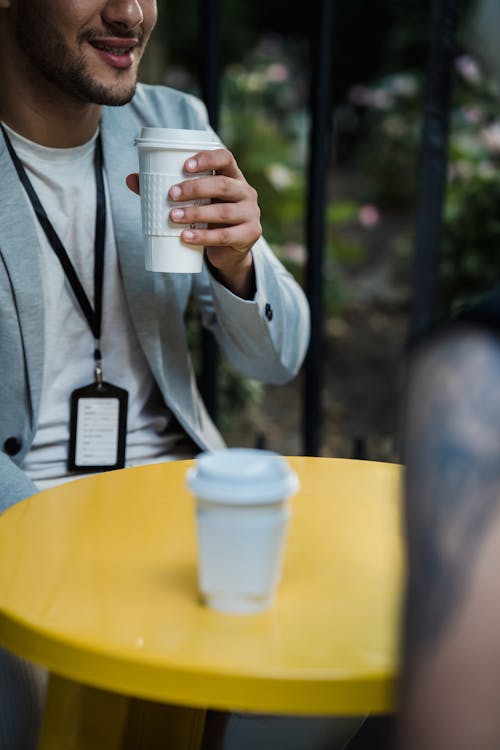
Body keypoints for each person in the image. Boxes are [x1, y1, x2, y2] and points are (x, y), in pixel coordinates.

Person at [0, 1, 312, 748]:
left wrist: (240, 262)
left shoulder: (171, 123)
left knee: (316, 674)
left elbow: (280, 356)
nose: (130, 12)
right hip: (24, 520)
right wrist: (60, 546)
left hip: (173, 510)